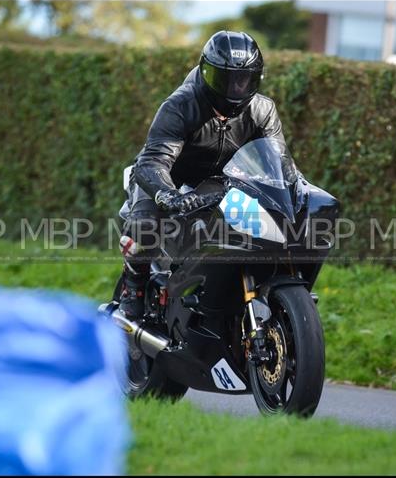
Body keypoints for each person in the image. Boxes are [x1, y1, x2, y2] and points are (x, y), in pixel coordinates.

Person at [117, 31, 301, 320]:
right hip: (166, 177)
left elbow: (279, 162)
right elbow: (153, 159)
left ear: (256, 78)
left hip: (220, 180)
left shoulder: (263, 110)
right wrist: (167, 194)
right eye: (224, 79)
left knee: (266, 227)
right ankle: (133, 286)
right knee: (145, 225)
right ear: (205, 72)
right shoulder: (180, 105)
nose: (235, 88)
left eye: (244, 80)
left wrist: (296, 188)